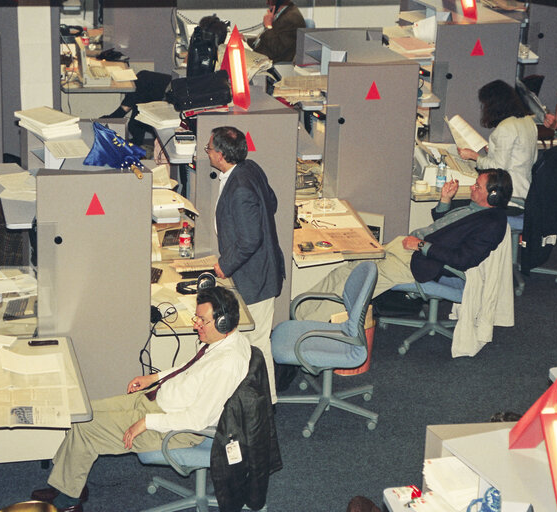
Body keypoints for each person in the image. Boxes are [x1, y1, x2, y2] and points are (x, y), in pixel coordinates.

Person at [30, 286, 250, 512]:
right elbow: (190, 371)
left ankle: (68, 503)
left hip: (175, 427)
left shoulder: (227, 364)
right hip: (155, 400)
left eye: (202, 320)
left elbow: (197, 420)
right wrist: (155, 377)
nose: (196, 325)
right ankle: (70, 485)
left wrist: (146, 422)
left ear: (222, 322)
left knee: (87, 429)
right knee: (82, 412)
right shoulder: (226, 341)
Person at [295, 169, 513, 322]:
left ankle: (307, 327)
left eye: (477, 185)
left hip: (421, 262)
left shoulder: (491, 223)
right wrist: (445, 200)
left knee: (355, 285)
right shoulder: (475, 207)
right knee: (344, 270)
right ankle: (298, 312)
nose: (472, 187)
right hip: (406, 249)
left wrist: (421, 246)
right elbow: (444, 227)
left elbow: (463, 259)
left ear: (493, 195)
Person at [206, 126, 285, 404]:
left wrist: (226, 265)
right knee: (252, 341)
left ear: (220, 155)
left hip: (255, 277)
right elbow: (271, 202)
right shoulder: (249, 167)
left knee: (258, 343)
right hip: (258, 269)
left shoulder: (239, 188)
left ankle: (267, 405)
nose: (207, 153)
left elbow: (251, 240)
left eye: (208, 149)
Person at [458, 80, 538, 202]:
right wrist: (493, 151)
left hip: (509, 194)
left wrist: (475, 157)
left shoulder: (505, 127)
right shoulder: (528, 121)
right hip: (525, 189)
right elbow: (530, 158)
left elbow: (499, 168)